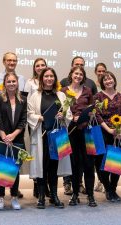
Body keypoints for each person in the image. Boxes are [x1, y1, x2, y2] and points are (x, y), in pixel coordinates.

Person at [28, 67, 72, 209]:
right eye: (46, 76)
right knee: (42, 165)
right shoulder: (35, 95)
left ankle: (54, 195)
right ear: (42, 79)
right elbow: (29, 114)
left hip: (57, 136)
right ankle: (41, 196)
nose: (49, 79)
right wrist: (40, 117)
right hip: (42, 136)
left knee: (54, 166)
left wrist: (63, 115)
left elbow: (68, 113)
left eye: (51, 76)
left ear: (55, 78)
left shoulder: (61, 95)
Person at [61, 56, 97, 195]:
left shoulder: (88, 91)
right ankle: (75, 194)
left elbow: (92, 108)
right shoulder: (63, 91)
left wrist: (92, 113)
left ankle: (90, 196)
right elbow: (61, 109)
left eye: (81, 74)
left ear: (83, 77)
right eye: (76, 73)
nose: (78, 76)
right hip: (70, 132)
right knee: (74, 163)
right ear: (71, 74)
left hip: (86, 131)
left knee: (88, 163)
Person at [0, 72, 27, 210]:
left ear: (17, 83)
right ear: (4, 83)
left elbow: (23, 120)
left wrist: (13, 135)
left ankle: (14, 196)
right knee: (1, 168)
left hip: (16, 138)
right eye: (9, 81)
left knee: (14, 169)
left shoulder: (23, 99)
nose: (11, 84)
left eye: (14, 81)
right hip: (2, 138)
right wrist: (4, 136)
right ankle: (0, 197)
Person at [94, 71, 121, 203]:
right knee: (101, 164)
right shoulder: (98, 96)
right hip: (103, 133)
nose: (108, 81)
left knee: (117, 163)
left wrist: (120, 131)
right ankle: (107, 189)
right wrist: (109, 129)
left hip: (119, 134)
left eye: (110, 79)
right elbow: (97, 115)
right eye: (105, 80)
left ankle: (113, 189)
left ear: (114, 80)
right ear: (102, 83)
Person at [23, 58, 49, 198]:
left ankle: (47, 186)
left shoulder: (49, 81)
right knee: (36, 152)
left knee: (48, 155)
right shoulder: (29, 82)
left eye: (42, 65)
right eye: (37, 66)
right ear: (34, 68)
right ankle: (36, 184)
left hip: (49, 123)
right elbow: (26, 102)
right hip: (35, 123)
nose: (40, 67)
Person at [93, 63, 107, 193]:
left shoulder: (108, 85)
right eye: (99, 71)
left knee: (104, 156)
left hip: (107, 125)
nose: (101, 73)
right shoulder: (93, 86)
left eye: (103, 71)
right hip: (96, 126)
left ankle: (103, 182)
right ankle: (99, 180)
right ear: (95, 72)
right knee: (97, 155)